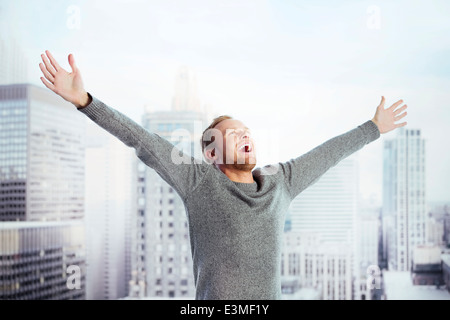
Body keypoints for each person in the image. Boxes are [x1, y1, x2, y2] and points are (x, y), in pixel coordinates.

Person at [39, 50, 408, 300]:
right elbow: (143, 141)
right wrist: (86, 101)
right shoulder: (200, 182)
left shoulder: (281, 183)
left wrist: (373, 127)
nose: (245, 136)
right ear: (211, 153)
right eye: (233, 134)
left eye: (247, 131)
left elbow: (327, 154)